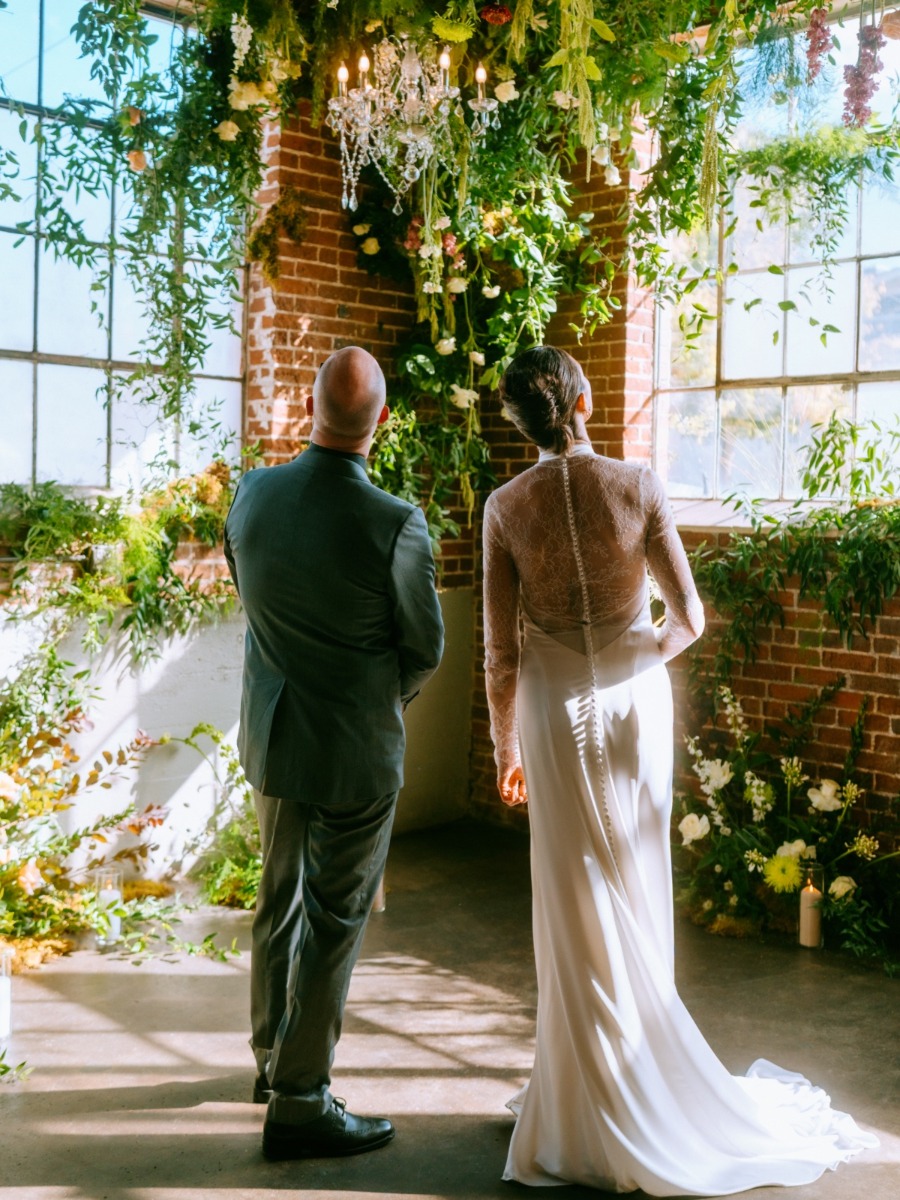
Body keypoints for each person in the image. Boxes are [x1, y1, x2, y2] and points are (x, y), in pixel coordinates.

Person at [482, 345, 877, 1195]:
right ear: (584, 400)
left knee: (572, 897)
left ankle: (579, 1091)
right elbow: (691, 617)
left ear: (520, 422)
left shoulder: (504, 507)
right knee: (634, 878)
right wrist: (631, 660)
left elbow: (498, 657)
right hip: (631, 710)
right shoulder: (639, 485)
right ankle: (638, 1077)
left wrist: (504, 749)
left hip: (551, 717)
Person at [224, 345, 444, 1161]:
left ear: (307, 409)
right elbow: (424, 647)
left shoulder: (252, 492)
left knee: (276, 898)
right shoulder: (394, 521)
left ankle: (267, 1060)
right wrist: (376, 701)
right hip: (356, 748)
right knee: (336, 916)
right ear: (381, 421)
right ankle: (301, 1098)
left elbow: (249, 591)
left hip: (275, 732)